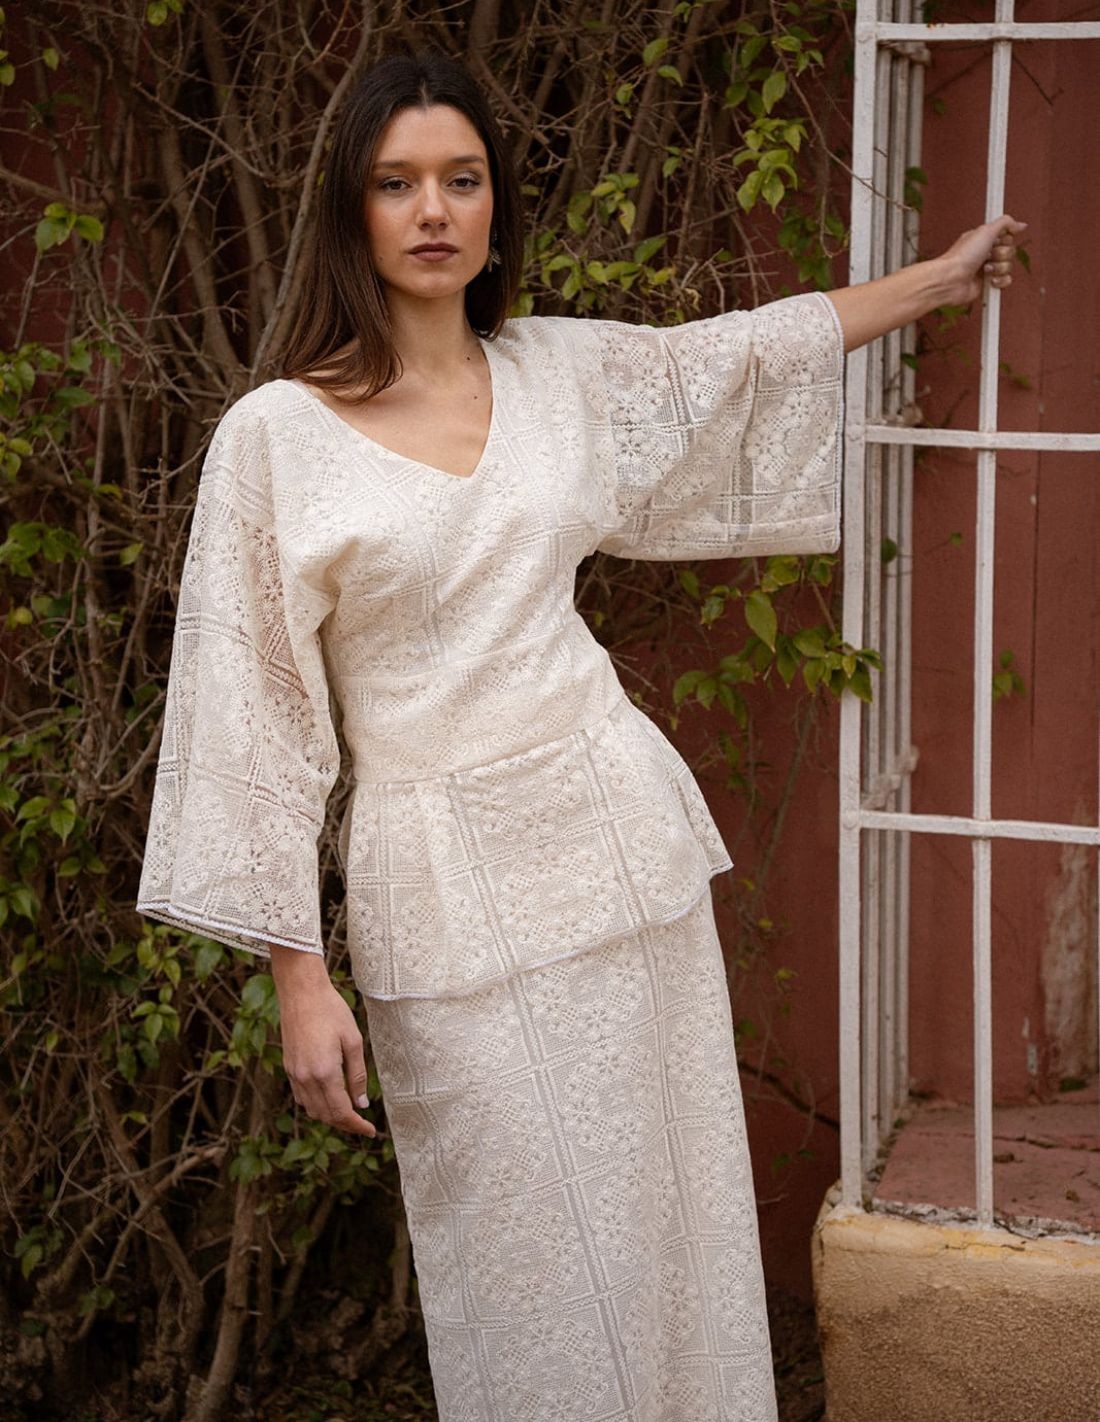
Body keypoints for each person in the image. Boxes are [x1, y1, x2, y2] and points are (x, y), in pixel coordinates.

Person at [135, 46, 1025, 1422]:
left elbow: (743, 355)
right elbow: (252, 710)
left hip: (621, 857)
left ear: (496, 206)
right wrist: (298, 978)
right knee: (521, 1273)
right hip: (443, 897)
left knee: (670, 1228)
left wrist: (939, 280)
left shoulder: (557, 373)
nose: (434, 209)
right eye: (397, 183)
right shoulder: (278, 438)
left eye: (462, 179)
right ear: (352, 210)